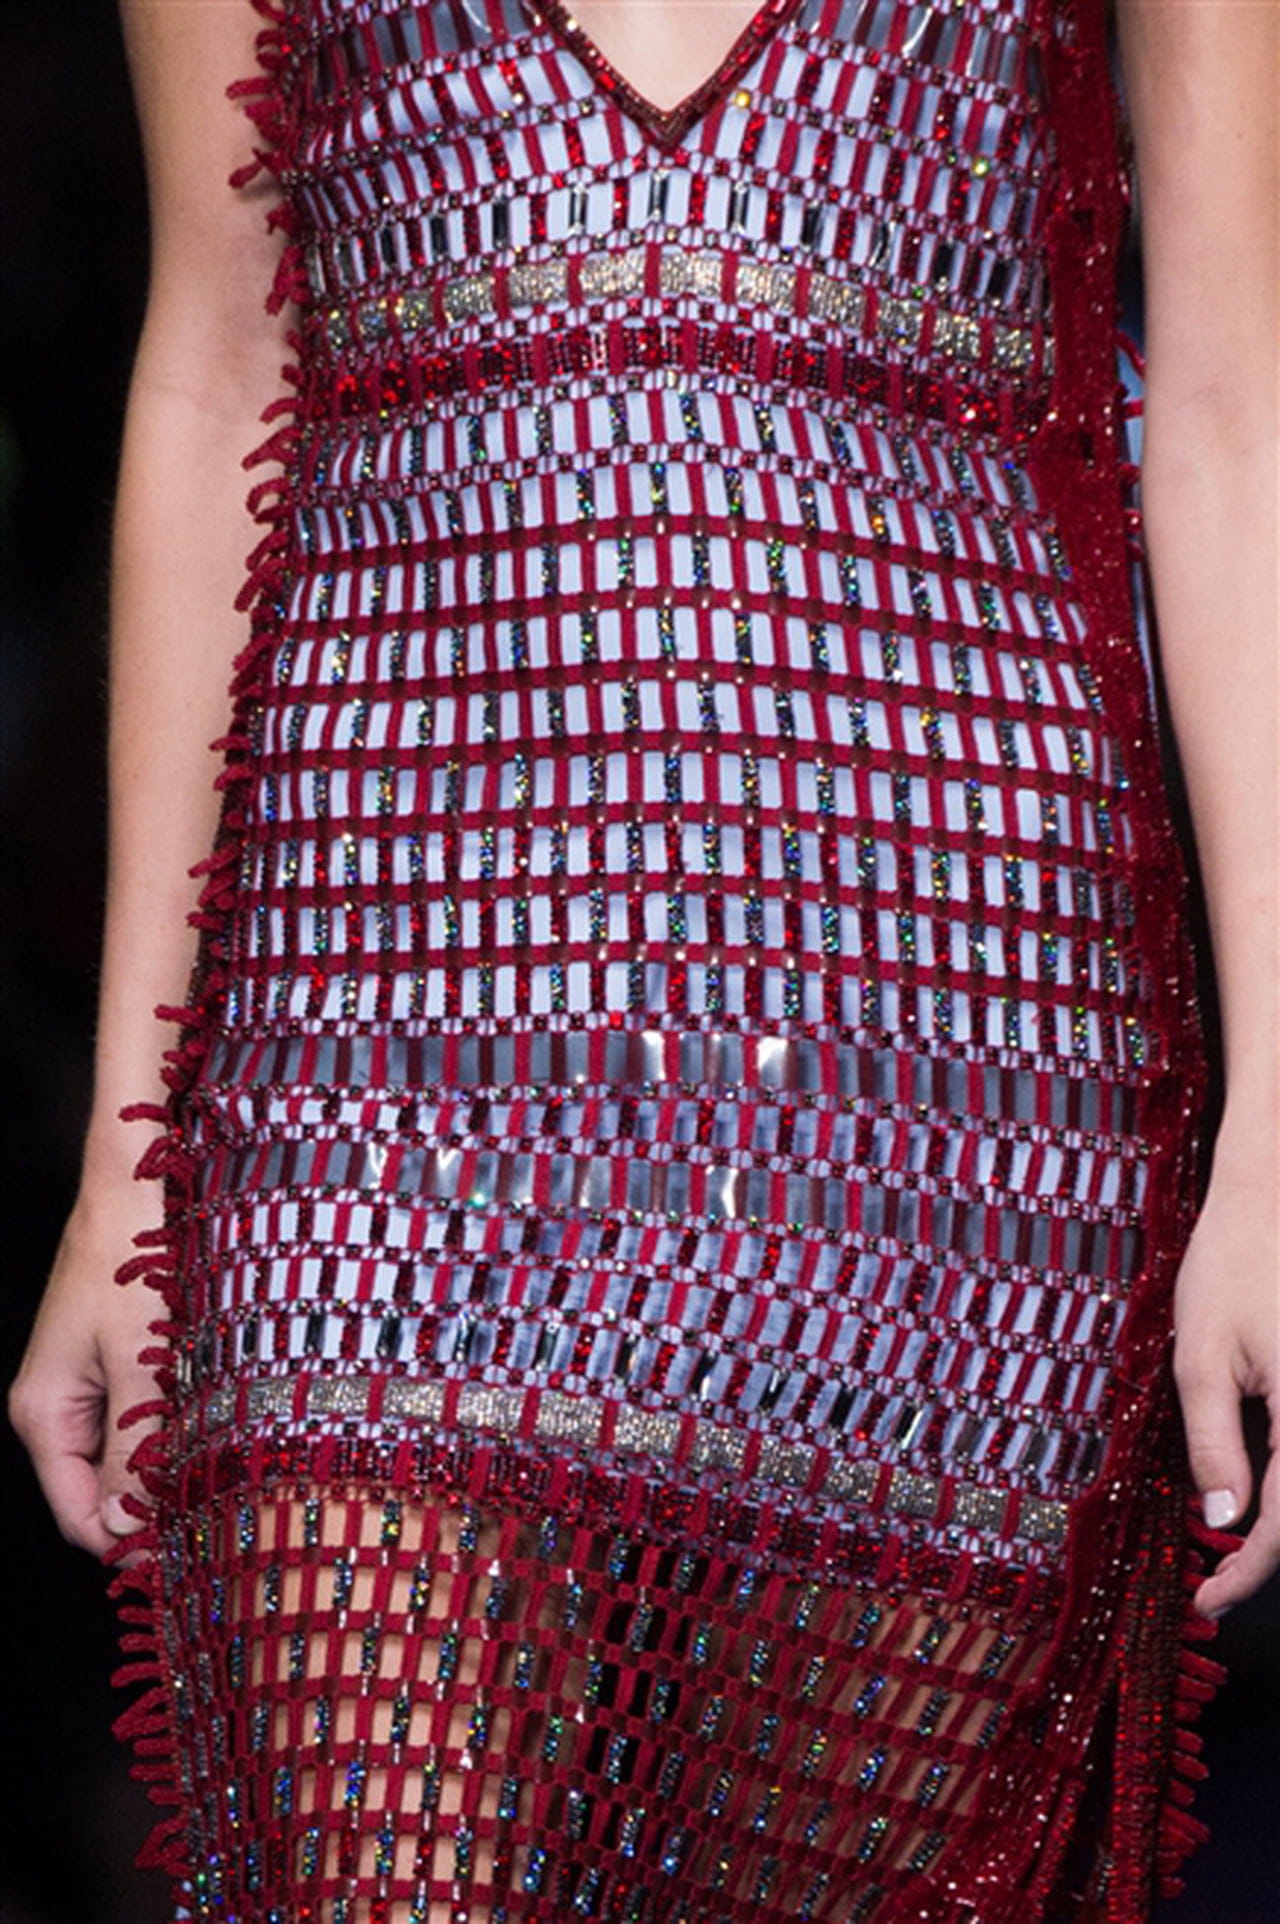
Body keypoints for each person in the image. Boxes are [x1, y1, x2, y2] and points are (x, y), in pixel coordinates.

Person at [9, 1, 1277, 1919]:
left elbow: (1235, 404)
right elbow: (217, 357)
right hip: (374, 1052)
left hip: (950, 1081)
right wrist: (128, 1151)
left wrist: (1275, 1123)